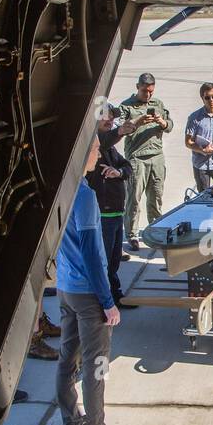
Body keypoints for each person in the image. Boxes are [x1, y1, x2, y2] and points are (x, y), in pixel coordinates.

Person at [55, 133, 135, 425]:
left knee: (66, 358)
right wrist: (107, 302)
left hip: (65, 288)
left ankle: (71, 420)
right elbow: (90, 251)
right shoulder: (85, 196)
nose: (99, 153)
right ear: (81, 155)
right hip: (88, 293)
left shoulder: (60, 191)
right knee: (96, 364)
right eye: (95, 149)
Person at [117, 73, 173, 251]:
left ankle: (155, 229)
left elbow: (170, 125)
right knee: (134, 198)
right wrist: (139, 121)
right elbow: (121, 128)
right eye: (144, 91)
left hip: (156, 156)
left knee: (156, 197)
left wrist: (162, 122)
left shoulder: (158, 104)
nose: (147, 95)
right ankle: (132, 234)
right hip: (137, 157)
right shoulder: (126, 106)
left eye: (150, 91)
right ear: (137, 87)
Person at [87, 104, 133, 309]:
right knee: (104, 261)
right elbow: (103, 140)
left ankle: (115, 295)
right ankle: (103, 302)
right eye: (105, 117)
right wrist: (120, 131)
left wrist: (118, 172)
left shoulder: (110, 149)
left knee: (113, 261)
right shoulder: (94, 144)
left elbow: (127, 167)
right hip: (103, 215)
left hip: (116, 213)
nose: (110, 121)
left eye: (112, 118)